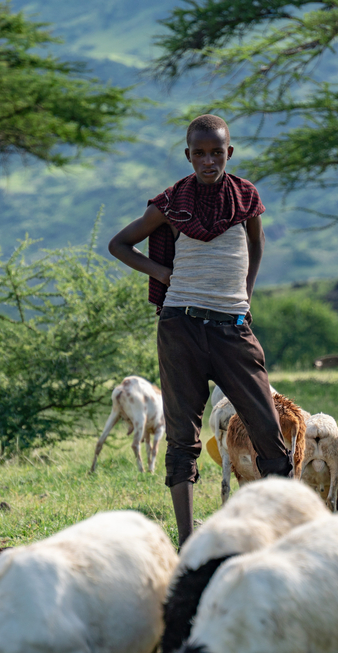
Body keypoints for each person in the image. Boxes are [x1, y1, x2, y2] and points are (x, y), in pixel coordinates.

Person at [108, 114, 292, 546]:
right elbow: (119, 244)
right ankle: (188, 541)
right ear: (188, 155)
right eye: (199, 154)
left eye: (216, 153)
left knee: (268, 430)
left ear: (229, 153)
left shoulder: (246, 197)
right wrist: (164, 275)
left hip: (233, 329)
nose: (208, 161)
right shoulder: (171, 203)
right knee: (182, 436)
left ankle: (281, 533)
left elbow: (256, 243)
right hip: (181, 327)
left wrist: (245, 296)